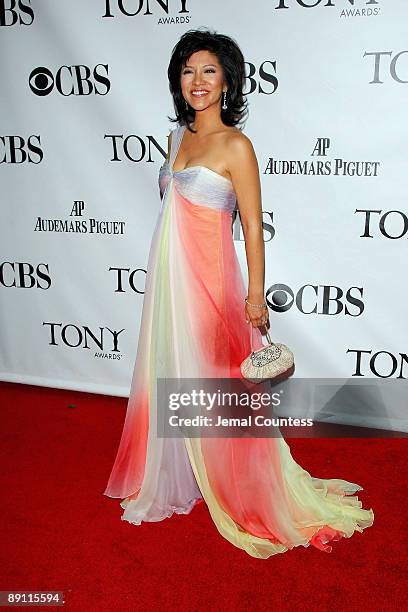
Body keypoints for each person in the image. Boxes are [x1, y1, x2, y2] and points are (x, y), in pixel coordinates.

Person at [103, 28, 374, 559]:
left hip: (212, 283)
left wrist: (255, 297)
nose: (197, 82)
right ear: (177, 82)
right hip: (169, 281)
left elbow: (251, 226)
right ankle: (175, 475)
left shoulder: (236, 145)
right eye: (187, 71)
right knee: (174, 378)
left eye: (208, 70)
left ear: (227, 79)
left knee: (225, 394)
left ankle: (250, 488)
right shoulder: (176, 139)